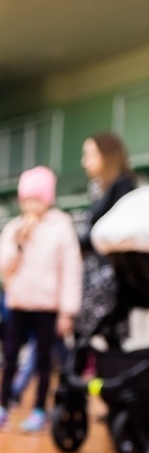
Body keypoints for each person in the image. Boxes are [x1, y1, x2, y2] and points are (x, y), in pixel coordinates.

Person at [0, 167, 82, 433]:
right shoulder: (13, 228)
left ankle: (39, 409)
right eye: (26, 199)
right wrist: (19, 243)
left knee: (45, 361)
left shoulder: (61, 228)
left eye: (37, 198)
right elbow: (3, 267)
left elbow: (71, 270)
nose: (31, 205)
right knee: (10, 356)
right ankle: (2, 404)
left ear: (48, 199)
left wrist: (67, 311)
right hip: (18, 303)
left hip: (48, 306)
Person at [77, 132, 136, 348]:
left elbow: (111, 230)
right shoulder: (99, 188)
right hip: (95, 272)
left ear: (107, 155)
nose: (85, 161)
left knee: (105, 333)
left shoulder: (122, 185)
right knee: (92, 335)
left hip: (109, 275)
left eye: (90, 155)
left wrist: (82, 242)